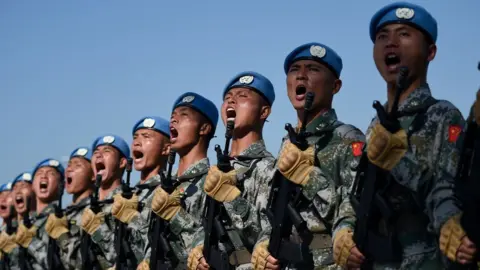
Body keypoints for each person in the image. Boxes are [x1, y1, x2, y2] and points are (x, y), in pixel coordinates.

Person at [350, 2, 474, 269]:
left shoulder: (442, 115)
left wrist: (400, 161)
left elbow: (449, 194)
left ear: (430, 52)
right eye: (383, 37)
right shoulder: (376, 125)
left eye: (404, 34)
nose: (391, 43)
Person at [251, 42, 365, 269]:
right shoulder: (287, 144)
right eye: (295, 70)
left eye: (313, 69)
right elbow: (272, 213)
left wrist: (308, 177)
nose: (301, 76)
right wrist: (263, 244)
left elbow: (355, 207)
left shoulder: (346, 138)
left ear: (336, 86)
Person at [188, 71, 277, 270]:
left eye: (242, 96)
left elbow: (267, 234)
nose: (232, 101)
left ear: (264, 112)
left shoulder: (269, 169)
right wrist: (198, 245)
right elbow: (196, 227)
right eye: (227, 98)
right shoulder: (213, 173)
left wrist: (231, 197)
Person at [147, 92, 218, 270]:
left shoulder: (214, 182)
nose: (174, 120)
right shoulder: (163, 188)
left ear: (204, 128)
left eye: (183, 115)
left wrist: (175, 214)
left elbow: (216, 246)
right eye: (172, 116)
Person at [80, 134, 138, 268]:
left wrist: (98, 229)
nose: (99, 156)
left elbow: (133, 255)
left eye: (107, 151)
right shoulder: (86, 208)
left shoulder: (129, 202)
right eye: (95, 153)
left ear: (122, 162)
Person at [126, 116, 171, 269]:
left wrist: (132, 218)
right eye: (135, 137)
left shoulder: (169, 191)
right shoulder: (129, 196)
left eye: (146, 137)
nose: (137, 142)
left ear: (166, 148)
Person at [45, 147, 95, 269]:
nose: (69, 169)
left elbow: (82, 263)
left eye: (78, 165)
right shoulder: (63, 214)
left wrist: (62, 236)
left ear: (93, 175)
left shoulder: (94, 211)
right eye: (68, 165)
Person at [15, 158, 65, 269]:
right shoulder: (26, 223)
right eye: (39, 173)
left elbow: (65, 263)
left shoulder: (63, 218)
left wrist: (31, 242)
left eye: (50, 173)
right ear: (32, 186)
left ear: (61, 185)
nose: (43, 176)